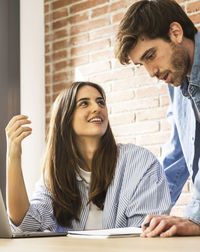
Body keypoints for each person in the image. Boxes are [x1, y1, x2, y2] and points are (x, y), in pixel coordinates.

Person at [6, 81, 170, 233]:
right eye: (84, 103)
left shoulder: (140, 162)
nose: (97, 108)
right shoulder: (56, 174)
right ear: (66, 118)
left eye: (101, 102)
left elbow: (144, 232)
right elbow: (27, 226)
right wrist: (13, 156)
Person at [115, 0, 200, 237]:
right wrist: (143, 218)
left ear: (175, 32)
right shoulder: (178, 80)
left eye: (150, 55)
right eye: (142, 64)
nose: (151, 72)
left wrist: (195, 217)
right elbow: (179, 155)